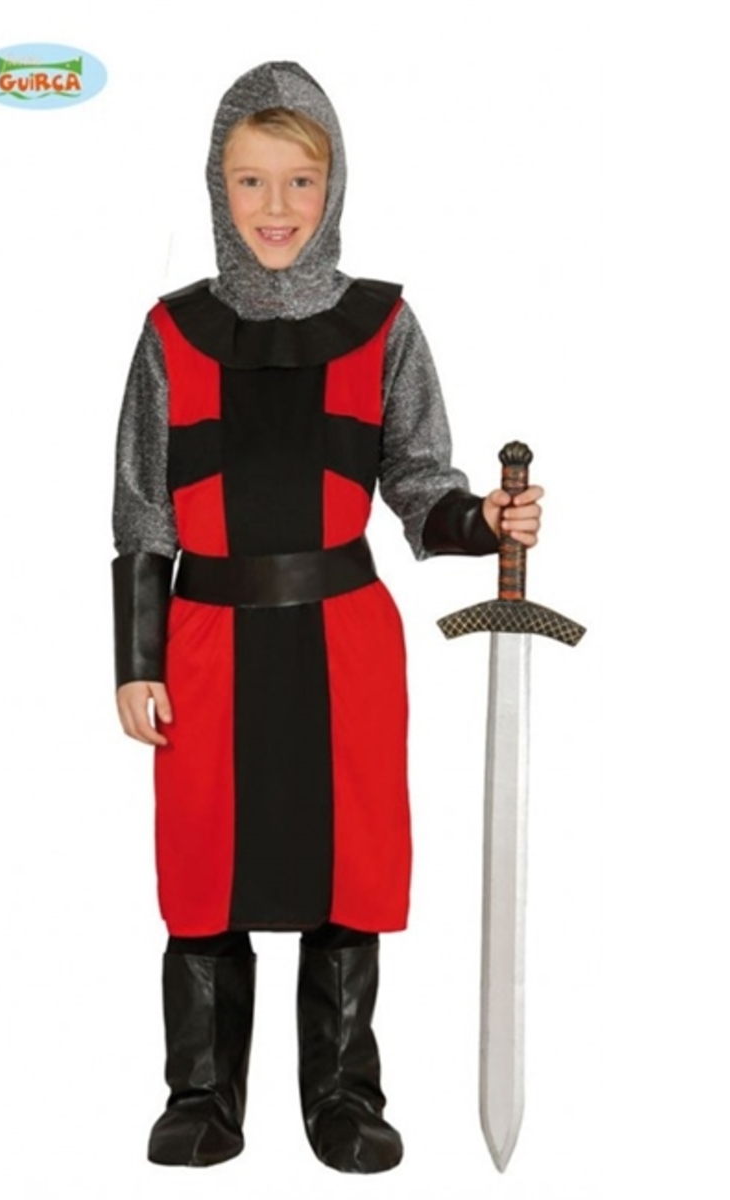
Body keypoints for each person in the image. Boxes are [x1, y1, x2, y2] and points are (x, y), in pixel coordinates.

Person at [111, 61, 542, 1174]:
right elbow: (145, 509)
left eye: (300, 181)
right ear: (217, 188)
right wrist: (137, 657)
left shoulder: (379, 327)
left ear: (334, 184)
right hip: (208, 636)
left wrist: (480, 520)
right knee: (205, 865)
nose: (276, 208)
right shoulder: (173, 334)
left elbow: (418, 482)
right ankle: (202, 1093)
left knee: (348, 865)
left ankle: (345, 1094)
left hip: (342, 636)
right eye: (250, 181)